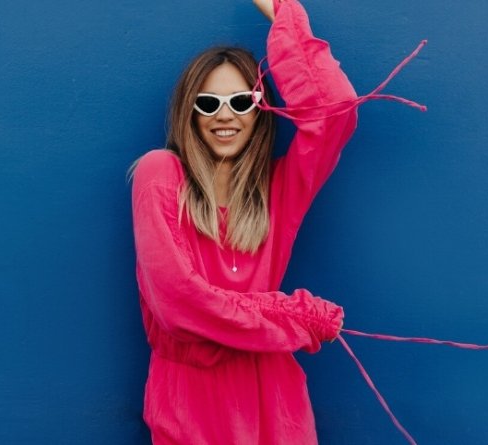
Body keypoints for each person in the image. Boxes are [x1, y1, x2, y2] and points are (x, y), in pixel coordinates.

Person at [130, 0, 357, 443]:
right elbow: (180, 305)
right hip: (191, 405)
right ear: (190, 111)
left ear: (260, 109)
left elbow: (335, 114)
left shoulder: (279, 189)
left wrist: (284, 14)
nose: (225, 114)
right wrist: (296, 315)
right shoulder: (159, 173)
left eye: (241, 101)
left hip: (275, 405)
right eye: (208, 103)